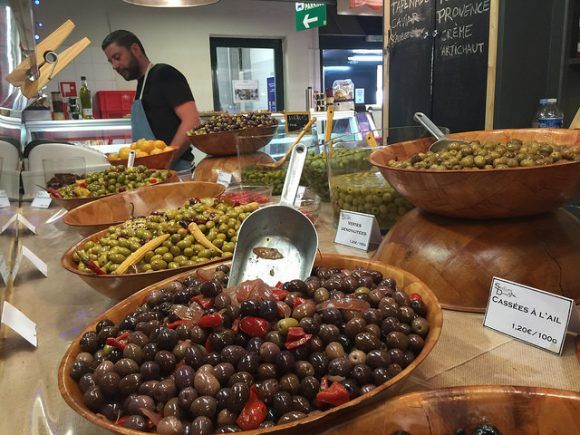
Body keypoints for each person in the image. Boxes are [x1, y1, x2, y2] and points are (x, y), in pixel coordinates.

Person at [102, 30, 201, 170]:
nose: (114, 66)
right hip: (154, 175)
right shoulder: (141, 85)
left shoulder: (165, 74)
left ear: (135, 49)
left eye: (117, 57)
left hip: (176, 173)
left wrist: (165, 162)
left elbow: (192, 121)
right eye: (110, 61)